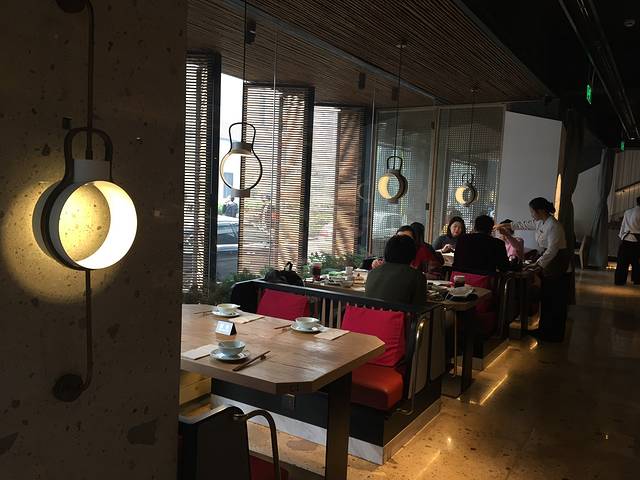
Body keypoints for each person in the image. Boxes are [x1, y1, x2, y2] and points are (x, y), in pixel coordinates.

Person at [495, 197, 572, 342]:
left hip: (557, 264)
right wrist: (505, 225)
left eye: (532, 211)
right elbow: (523, 224)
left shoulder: (554, 226)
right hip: (549, 263)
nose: (531, 214)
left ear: (540, 211)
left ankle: (554, 334)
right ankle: (544, 330)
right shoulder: (541, 222)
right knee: (547, 299)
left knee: (556, 300)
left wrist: (538, 265)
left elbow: (552, 250)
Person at [365, 235, 427, 306]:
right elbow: (419, 307)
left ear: (386, 252)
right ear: (412, 254)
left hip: (371, 313)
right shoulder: (417, 276)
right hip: (397, 313)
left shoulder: (372, 272)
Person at [614, 196, 640, 285]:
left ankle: (620, 280)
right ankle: (637, 280)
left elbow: (623, 226)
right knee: (636, 262)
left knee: (622, 262)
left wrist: (621, 238)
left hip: (625, 239)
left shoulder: (628, 212)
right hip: (636, 240)